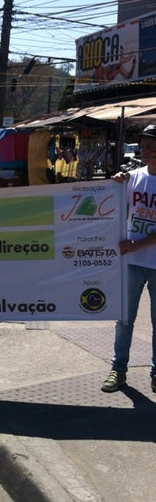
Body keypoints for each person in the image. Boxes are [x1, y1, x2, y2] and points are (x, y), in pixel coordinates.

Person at [102, 124, 156, 393]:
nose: (145, 151)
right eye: (144, 146)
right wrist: (113, 185)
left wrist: (137, 244)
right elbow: (112, 208)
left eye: (151, 147)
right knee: (124, 319)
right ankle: (118, 369)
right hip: (132, 263)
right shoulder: (133, 177)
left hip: (147, 259)